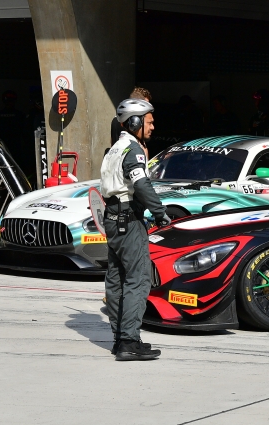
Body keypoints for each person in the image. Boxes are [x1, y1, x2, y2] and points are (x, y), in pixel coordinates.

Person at [101, 98, 171, 360]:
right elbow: (141, 185)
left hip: (113, 220)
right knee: (138, 280)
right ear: (134, 122)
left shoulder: (114, 149)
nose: (153, 127)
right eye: (149, 122)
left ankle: (119, 339)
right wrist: (160, 212)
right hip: (129, 221)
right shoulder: (133, 150)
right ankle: (130, 341)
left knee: (117, 280)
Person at [0, 90, 24, 158]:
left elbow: (25, 131)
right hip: (2, 143)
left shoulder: (19, 114)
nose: (9, 102)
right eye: (8, 100)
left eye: (11, 100)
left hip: (16, 143)